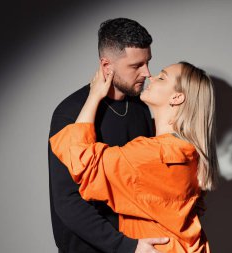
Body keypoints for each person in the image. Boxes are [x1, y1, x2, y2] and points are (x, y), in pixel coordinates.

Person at [49, 61, 219, 252]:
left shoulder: (154, 154)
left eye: (162, 78)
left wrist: (94, 95)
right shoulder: (188, 151)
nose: (150, 76)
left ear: (177, 97)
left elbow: (80, 158)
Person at [48, 18, 169, 253]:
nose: (146, 73)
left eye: (148, 62)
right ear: (107, 66)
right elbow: (68, 202)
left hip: (138, 242)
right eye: (136, 66)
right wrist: (127, 247)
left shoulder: (140, 107)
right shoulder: (70, 113)